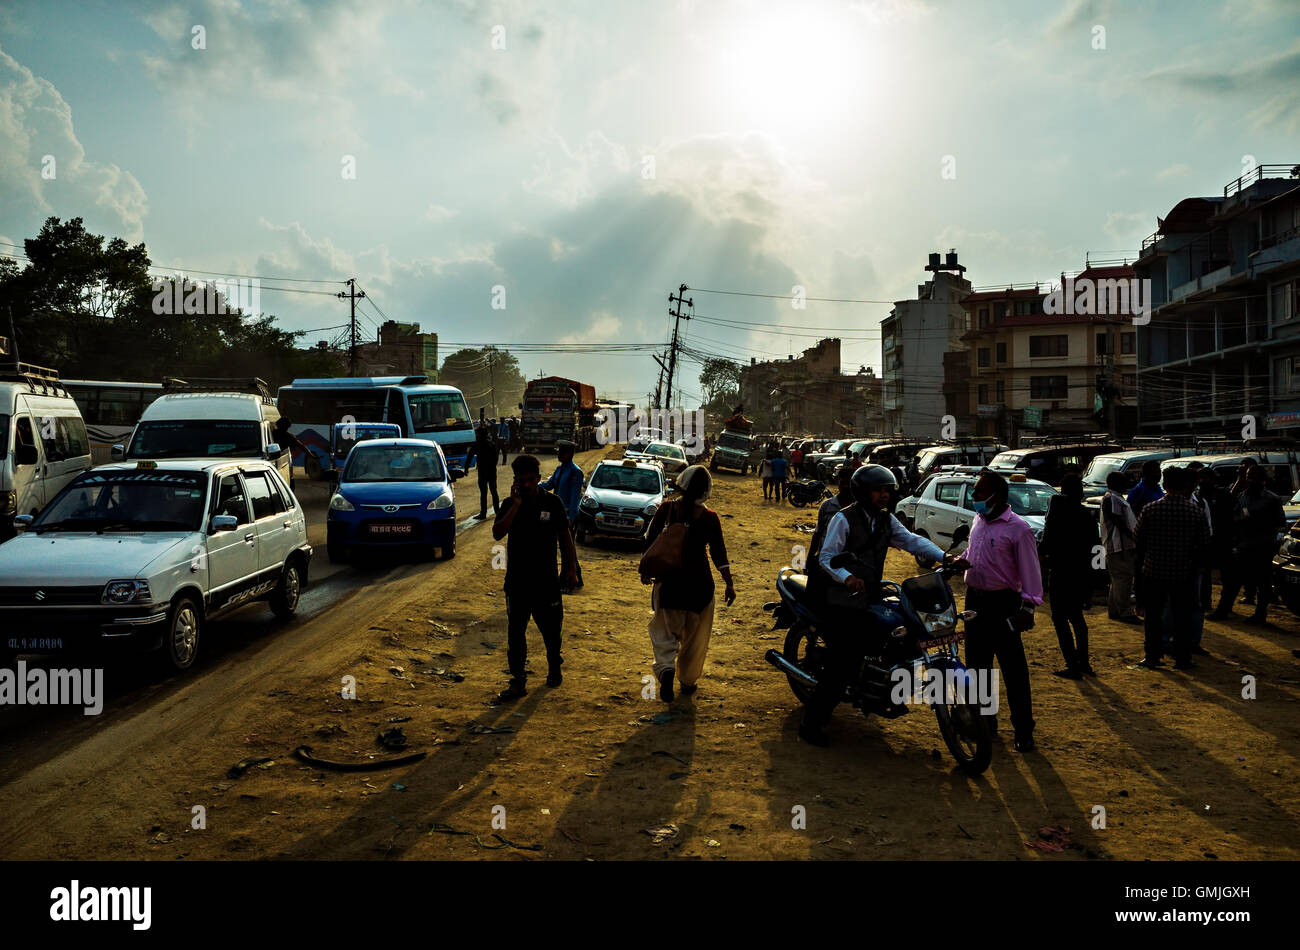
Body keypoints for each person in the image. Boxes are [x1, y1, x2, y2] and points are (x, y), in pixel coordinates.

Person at [799, 464, 945, 747]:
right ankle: (811, 724)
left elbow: (911, 540)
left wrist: (944, 556)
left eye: (887, 490)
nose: (884, 496)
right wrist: (847, 577)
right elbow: (827, 558)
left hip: (868, 597)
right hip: (836, 599)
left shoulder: (885, 520)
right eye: (878, 490)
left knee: (902, 632)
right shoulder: (844, 519)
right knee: (845, 660)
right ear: (863, 492)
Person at [947, 471, 1043, 752]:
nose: (973, 497)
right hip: (975, 603)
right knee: (978, 668)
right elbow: (973, 554)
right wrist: (959, 561)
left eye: (978, 492)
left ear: (996, 496)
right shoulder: (979, 520)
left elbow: (1031, 572)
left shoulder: (1019, 529)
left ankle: (1024, 730)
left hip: (1003, 605)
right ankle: (986, 724)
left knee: (1014, 671)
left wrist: (1028, 607)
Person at [640, 465, 734, 702]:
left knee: (664, 631)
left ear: (681, 484)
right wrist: (728, 583)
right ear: (706, 490)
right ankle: (688, 680)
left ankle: (666, 669)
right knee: (694, 638)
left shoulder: (667, 509)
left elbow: (650, 540)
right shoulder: (711, 518)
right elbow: (719, 553)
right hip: (700, 587)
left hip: (669, 583)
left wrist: (645, 569)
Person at [491, 454, 579, 700]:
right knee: (515, 633)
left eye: (531, 480)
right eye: (522, 480)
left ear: (539, 479)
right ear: (515, 481)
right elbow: (498, 533)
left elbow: (565, 538)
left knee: (552, 631)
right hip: (517, 583)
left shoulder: (552, 504)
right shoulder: (510, 505)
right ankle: (518, 681)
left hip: (547, 582)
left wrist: (570, 569)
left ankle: (554, 666)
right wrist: (516, 505)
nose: (527, 485)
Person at [1133, 465, 1209, 670]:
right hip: (1184, 573)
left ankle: (1152, 656)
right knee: (1182, 617)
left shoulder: (1150, 509)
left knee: (1153, 617)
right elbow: (1203, 544)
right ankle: (1182, 659)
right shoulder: (1195, 511)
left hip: (1153, 571)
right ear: (1184, 485)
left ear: (1164, 485)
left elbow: (1138, 540)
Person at [1210, 464, 1285, 626]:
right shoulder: (1242, 496)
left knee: (1262, 583)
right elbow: (1234, 514)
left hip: (1263, 547)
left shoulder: (1272, 499)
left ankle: (1260, 614)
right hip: (1244, 545)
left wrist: (1261, 525)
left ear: (1262, 480)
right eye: (1248, 477)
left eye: (1254, 477)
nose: (1250, 480)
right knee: (1232, 580)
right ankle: (1223, 610)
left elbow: (1280, 523)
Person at [1040, 473, 1099, 678]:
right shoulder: (1085, 514)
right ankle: (1083, 663)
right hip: (1081, 573)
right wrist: (1094, 581)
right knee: (1077, 619)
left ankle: (1072, 664)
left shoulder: (1056, 508)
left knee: (1060, 618)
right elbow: (1096, 549)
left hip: (1061, 572)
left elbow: (1046, 542)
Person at [540, 441, 585, 592]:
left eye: (562, 452)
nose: (558, 455)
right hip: (557, 513)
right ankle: (577, 578)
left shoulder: (575, 472)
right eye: (558, 452)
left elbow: (575, 497)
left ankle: (567, 582)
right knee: (567, 548)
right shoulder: (560, 469)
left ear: (570, 454)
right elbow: (549, 485)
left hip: (567, 514)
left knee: (567, 549)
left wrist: (571, 518)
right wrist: (535, 484)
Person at [1100, 470, 1140, 622]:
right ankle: (1124, 612)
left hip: (1120, 545)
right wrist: (1133, 536)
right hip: (1119, 546)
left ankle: (1115, 610)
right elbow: (1118, 521)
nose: (1127, 483)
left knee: (1118, 580)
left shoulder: (1115, 497)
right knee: (1123, 579)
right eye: (1123, 481)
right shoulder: (1112, 499)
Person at [808, 460, 858, 563]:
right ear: (837, 482)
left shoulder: (860, 508)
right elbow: (818, 533)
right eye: (842, 482)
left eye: (848, 483)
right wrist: (810, 557)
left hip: (851, 564)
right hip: (826, 562)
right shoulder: (826, 506)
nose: (845, 486)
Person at [471, 421, 500, 520]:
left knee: (484, 493)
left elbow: (470, 456)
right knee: (493, 492)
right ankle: (497, 511)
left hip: (483, 473)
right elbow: (496, 458)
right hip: (491, 472)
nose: (476, 435)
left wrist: (466, 468)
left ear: (479, 435)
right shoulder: (490, 444)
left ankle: (483, 513)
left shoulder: (477, 444)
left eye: (477, 434)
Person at [272, 417, 308, 489]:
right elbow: (302, 446)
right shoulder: (289, 436)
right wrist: (312, 455)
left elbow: (302, 446)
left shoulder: (272, 433)